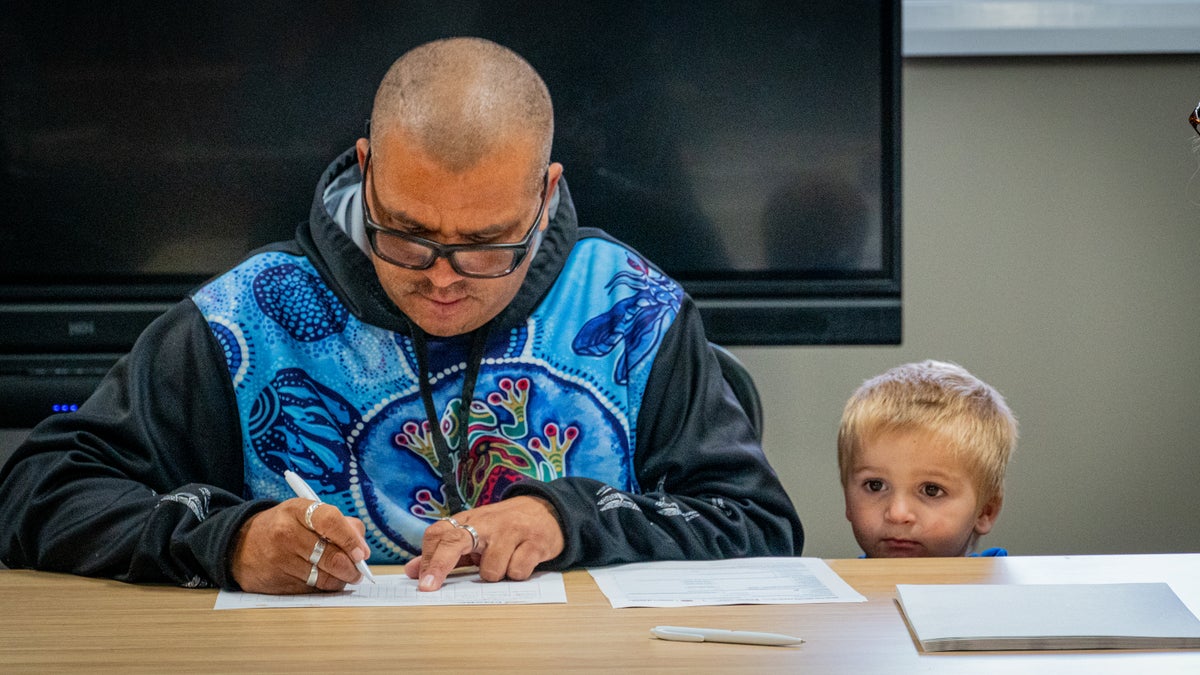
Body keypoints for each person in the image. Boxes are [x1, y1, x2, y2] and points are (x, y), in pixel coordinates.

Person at [0, 37, 802, 593]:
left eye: (487, 244)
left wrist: (566, 517)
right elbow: (36, 490)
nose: (444, 280)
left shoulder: (631, 307)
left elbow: (759, 522)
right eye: (409, 236)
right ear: (366, 169)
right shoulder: (245, 320)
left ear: (546, 192)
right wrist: (228, 539)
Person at [837, 360, 1017, 558]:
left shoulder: (998, 586)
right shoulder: (836, 586)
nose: (897, 514)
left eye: (931, 490)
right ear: (847, 497)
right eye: (875, 486)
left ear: (985, 511)